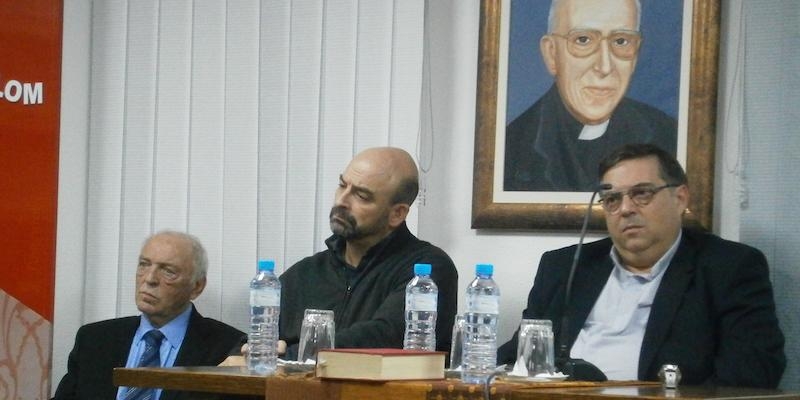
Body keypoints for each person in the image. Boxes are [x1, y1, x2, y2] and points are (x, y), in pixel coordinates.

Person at [498, 143, 786, 388]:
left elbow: (752, 374)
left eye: (642, 194)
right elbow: (516, 360)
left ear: (680, 198)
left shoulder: (728, 267)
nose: (626, 209)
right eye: (612, 199)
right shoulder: (565, 268)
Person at [278, 147, 458, 359]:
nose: (342, 201)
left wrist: (292, 356)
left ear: (397, 213)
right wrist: (252, 349)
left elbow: (384, 337)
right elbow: (265, 333)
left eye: (361, 196)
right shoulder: (306, 272)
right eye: (342, 185)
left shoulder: (426, 271)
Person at [504, 0, 677, 192]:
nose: (604, 67)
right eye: (583, 40)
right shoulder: (510, 149)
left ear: (635, 55)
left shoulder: (668, 134)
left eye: (621, 41)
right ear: (551, 54)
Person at [53, 231, 245, 400]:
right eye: (144, 265)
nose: (149, 279)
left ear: (197, 286)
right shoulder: (95, 339)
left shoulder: (227, 347)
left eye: (168, 271)